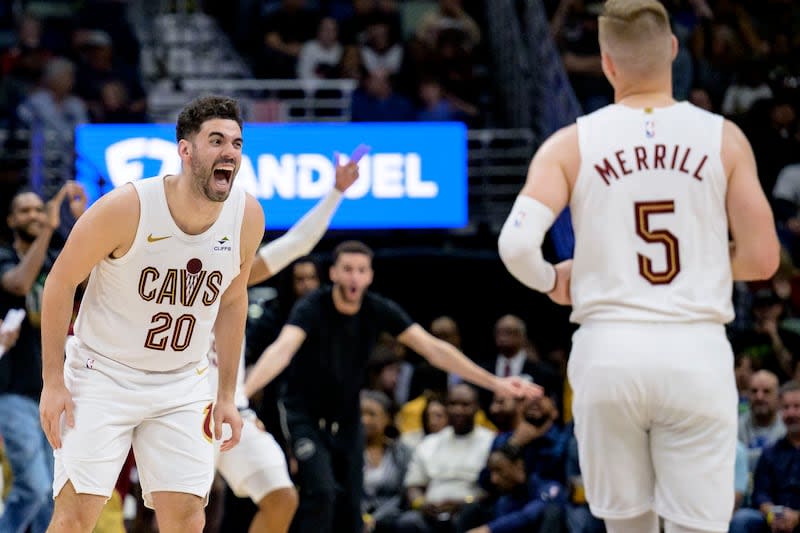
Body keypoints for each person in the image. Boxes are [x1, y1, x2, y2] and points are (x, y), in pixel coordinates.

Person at [497, 1, 780, 533]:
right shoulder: (724, 138)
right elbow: (765, 258)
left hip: (609, 352)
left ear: (606, 63)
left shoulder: (570, 143)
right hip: (694, 349)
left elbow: (515, 248)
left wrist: (552, 278)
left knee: (627, 526)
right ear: (673, 50)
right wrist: (701, 267)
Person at [38, 95, 265, 533]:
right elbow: (60, 282)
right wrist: (52, 382)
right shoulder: (127, 207)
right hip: (102, 373)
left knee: (186, 519)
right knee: (74, 518)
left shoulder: (247, 215)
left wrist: (225, 396)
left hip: (182, 380)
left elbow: (233, 301)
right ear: (186, 150)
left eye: (237, 143)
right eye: (216, 140)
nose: (229, 153)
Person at [243, 240, 540, 533]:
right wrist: (240, 396)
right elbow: (282, 349)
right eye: (347, 269)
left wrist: (495, 383)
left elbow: (433, 348)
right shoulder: (312, 306)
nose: (354, 277)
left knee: (351, 504)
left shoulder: (376, 308)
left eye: (361, 270)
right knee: (321, 493)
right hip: (303, 412)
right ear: (333, 273)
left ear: (370, 276)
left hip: (346, 416)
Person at [208, 147, 363, 533]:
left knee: (282, 497)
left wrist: (336, 193)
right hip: (179, 409)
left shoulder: (236, 276)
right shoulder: (170, 272)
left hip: (233, 412)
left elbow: (298, 242)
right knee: (188, 514)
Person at [0, 182, 86, 533]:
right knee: (33, 486)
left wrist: (81, 221)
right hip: (13, 391)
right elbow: (20, 283)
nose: (35, 216)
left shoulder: (54, 260)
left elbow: (92, 278)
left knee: (51, 492)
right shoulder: (5, 257)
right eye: (26, 211)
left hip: (52, 392)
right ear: (10, 220)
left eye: (39, 209)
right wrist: (50, 227)